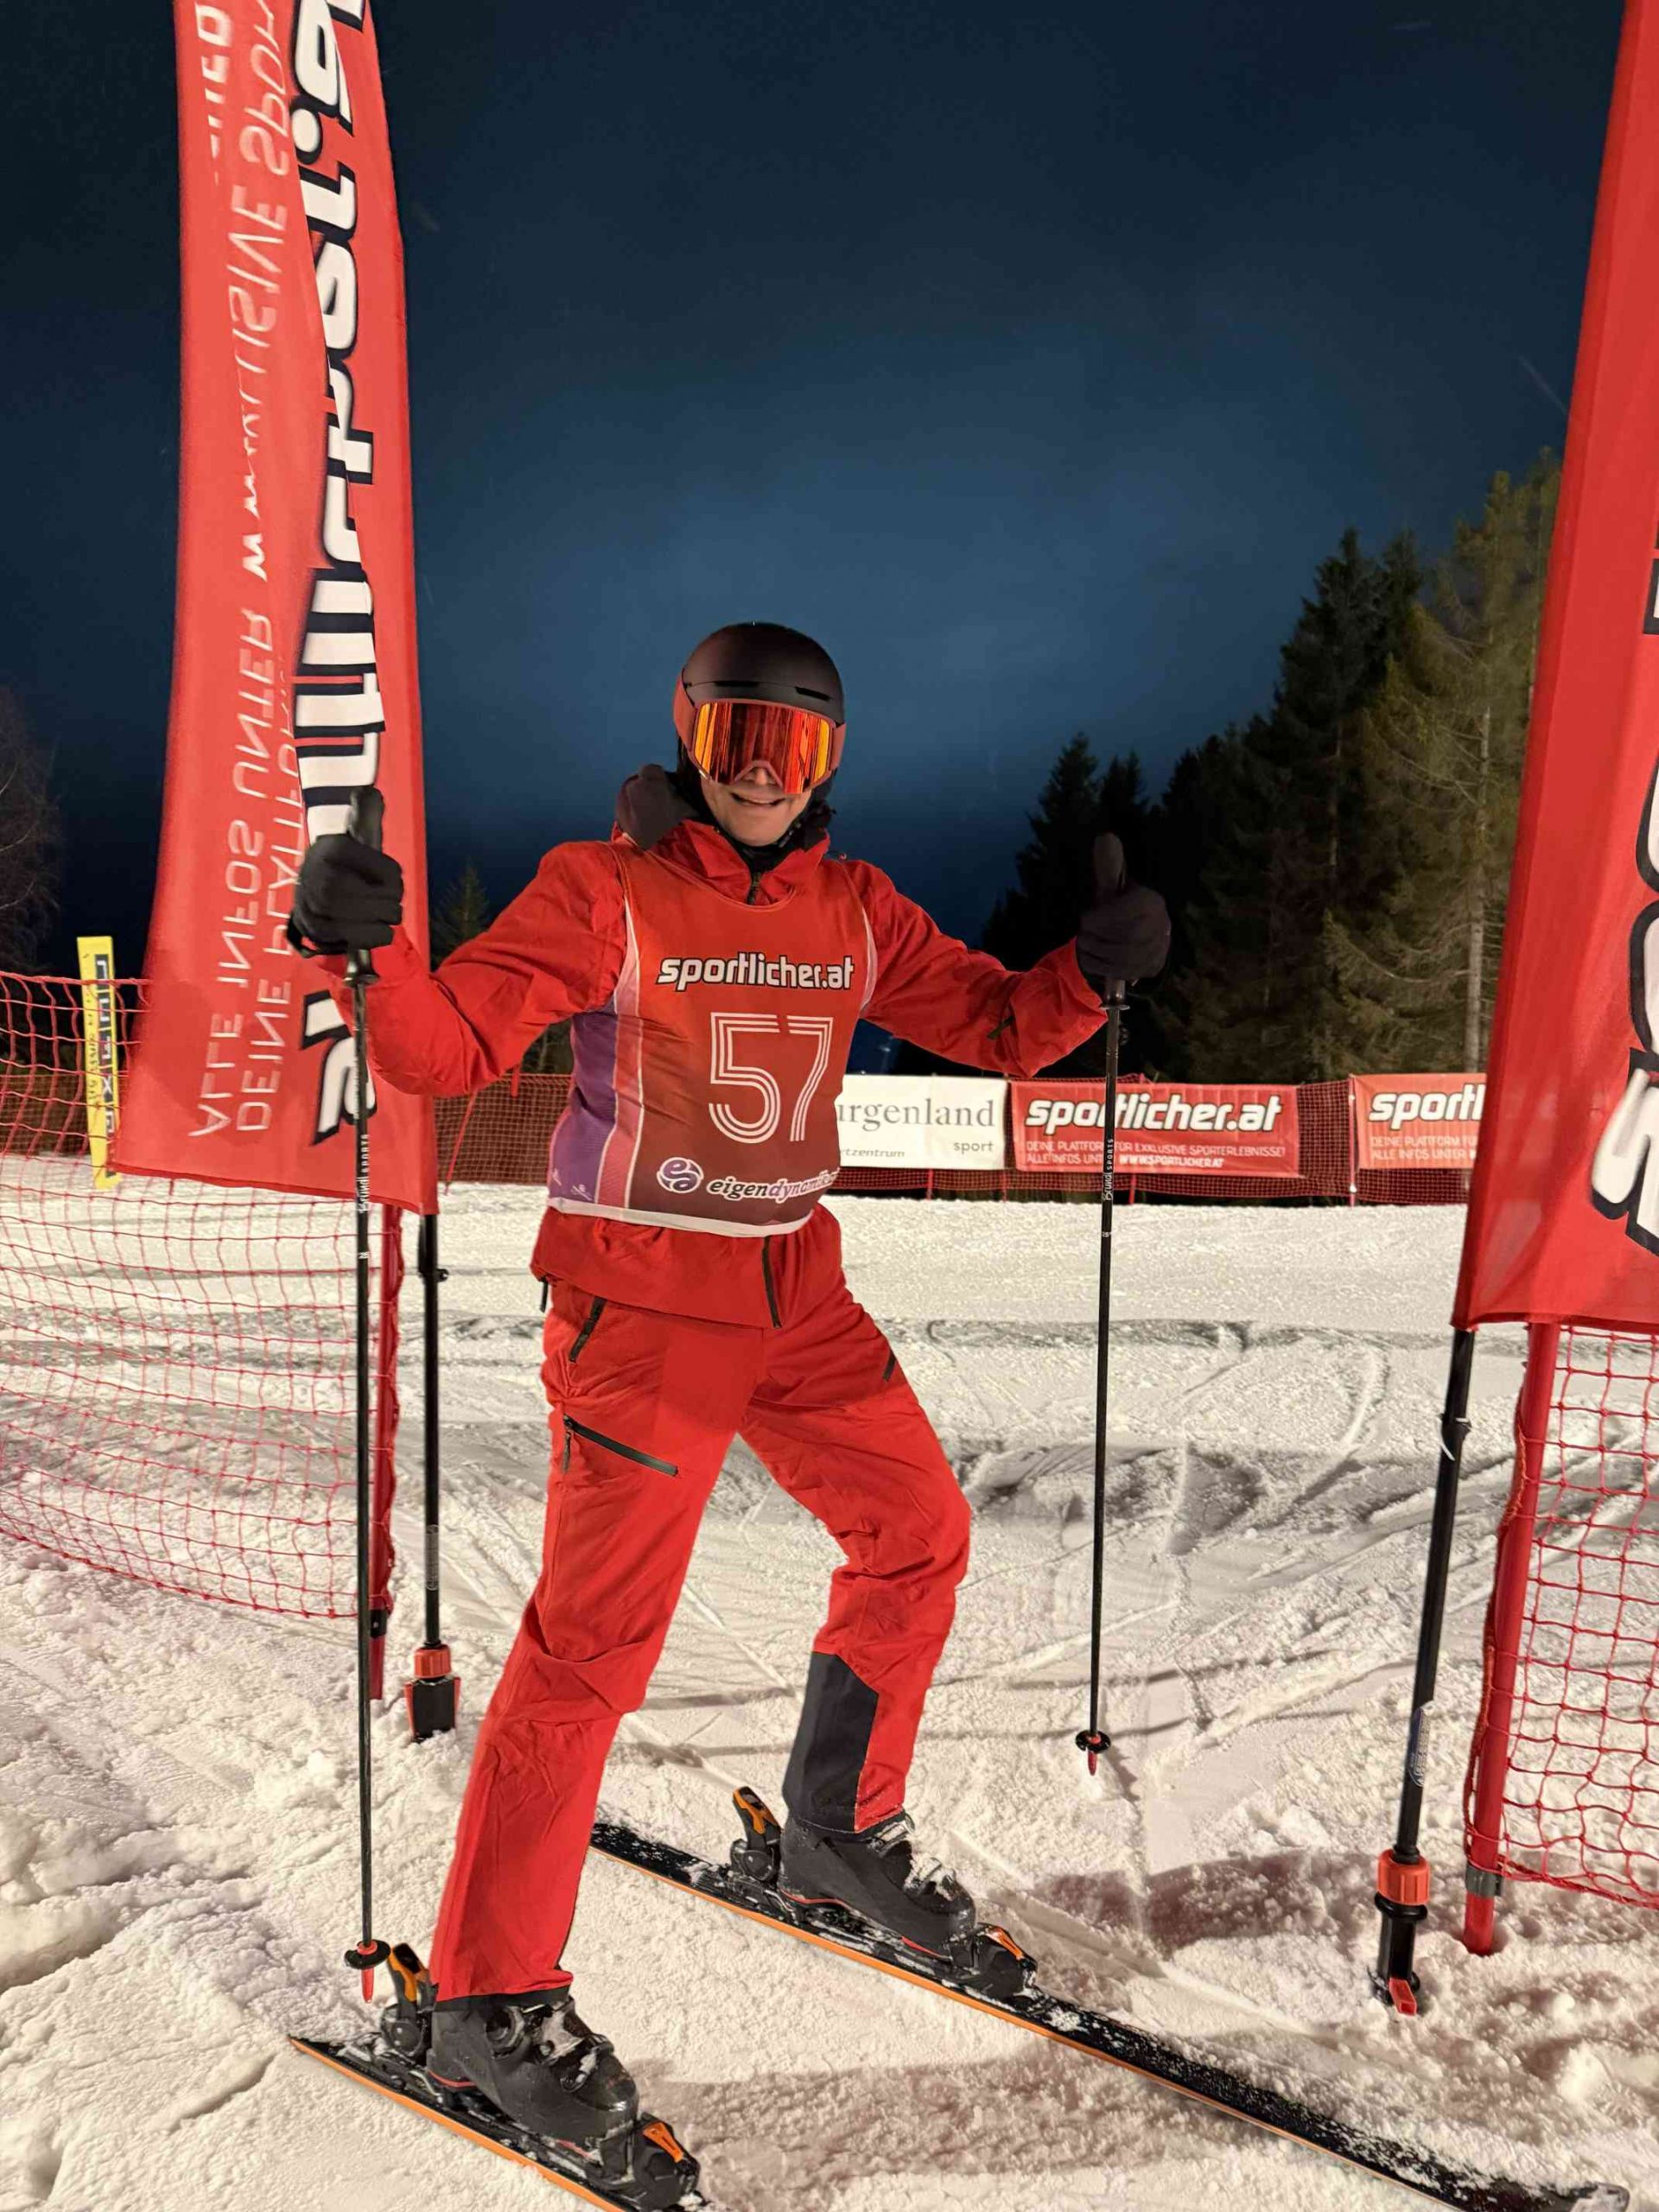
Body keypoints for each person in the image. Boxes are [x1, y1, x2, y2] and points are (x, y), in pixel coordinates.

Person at [289, 620, 1169, 2152]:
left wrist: (1089, 976)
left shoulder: (856, 907)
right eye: (738, 738)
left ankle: (840, 1828)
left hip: (792, 1289)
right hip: (641, 1307)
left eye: (796, 745)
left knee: (920, 1533)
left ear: (832, 762)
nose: (765, 774)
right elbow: (450, 1048)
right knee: (589, 1654)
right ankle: (490, 2000)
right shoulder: (605, 890)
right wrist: (358, 955)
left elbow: (997, 1026)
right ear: (690, 739)